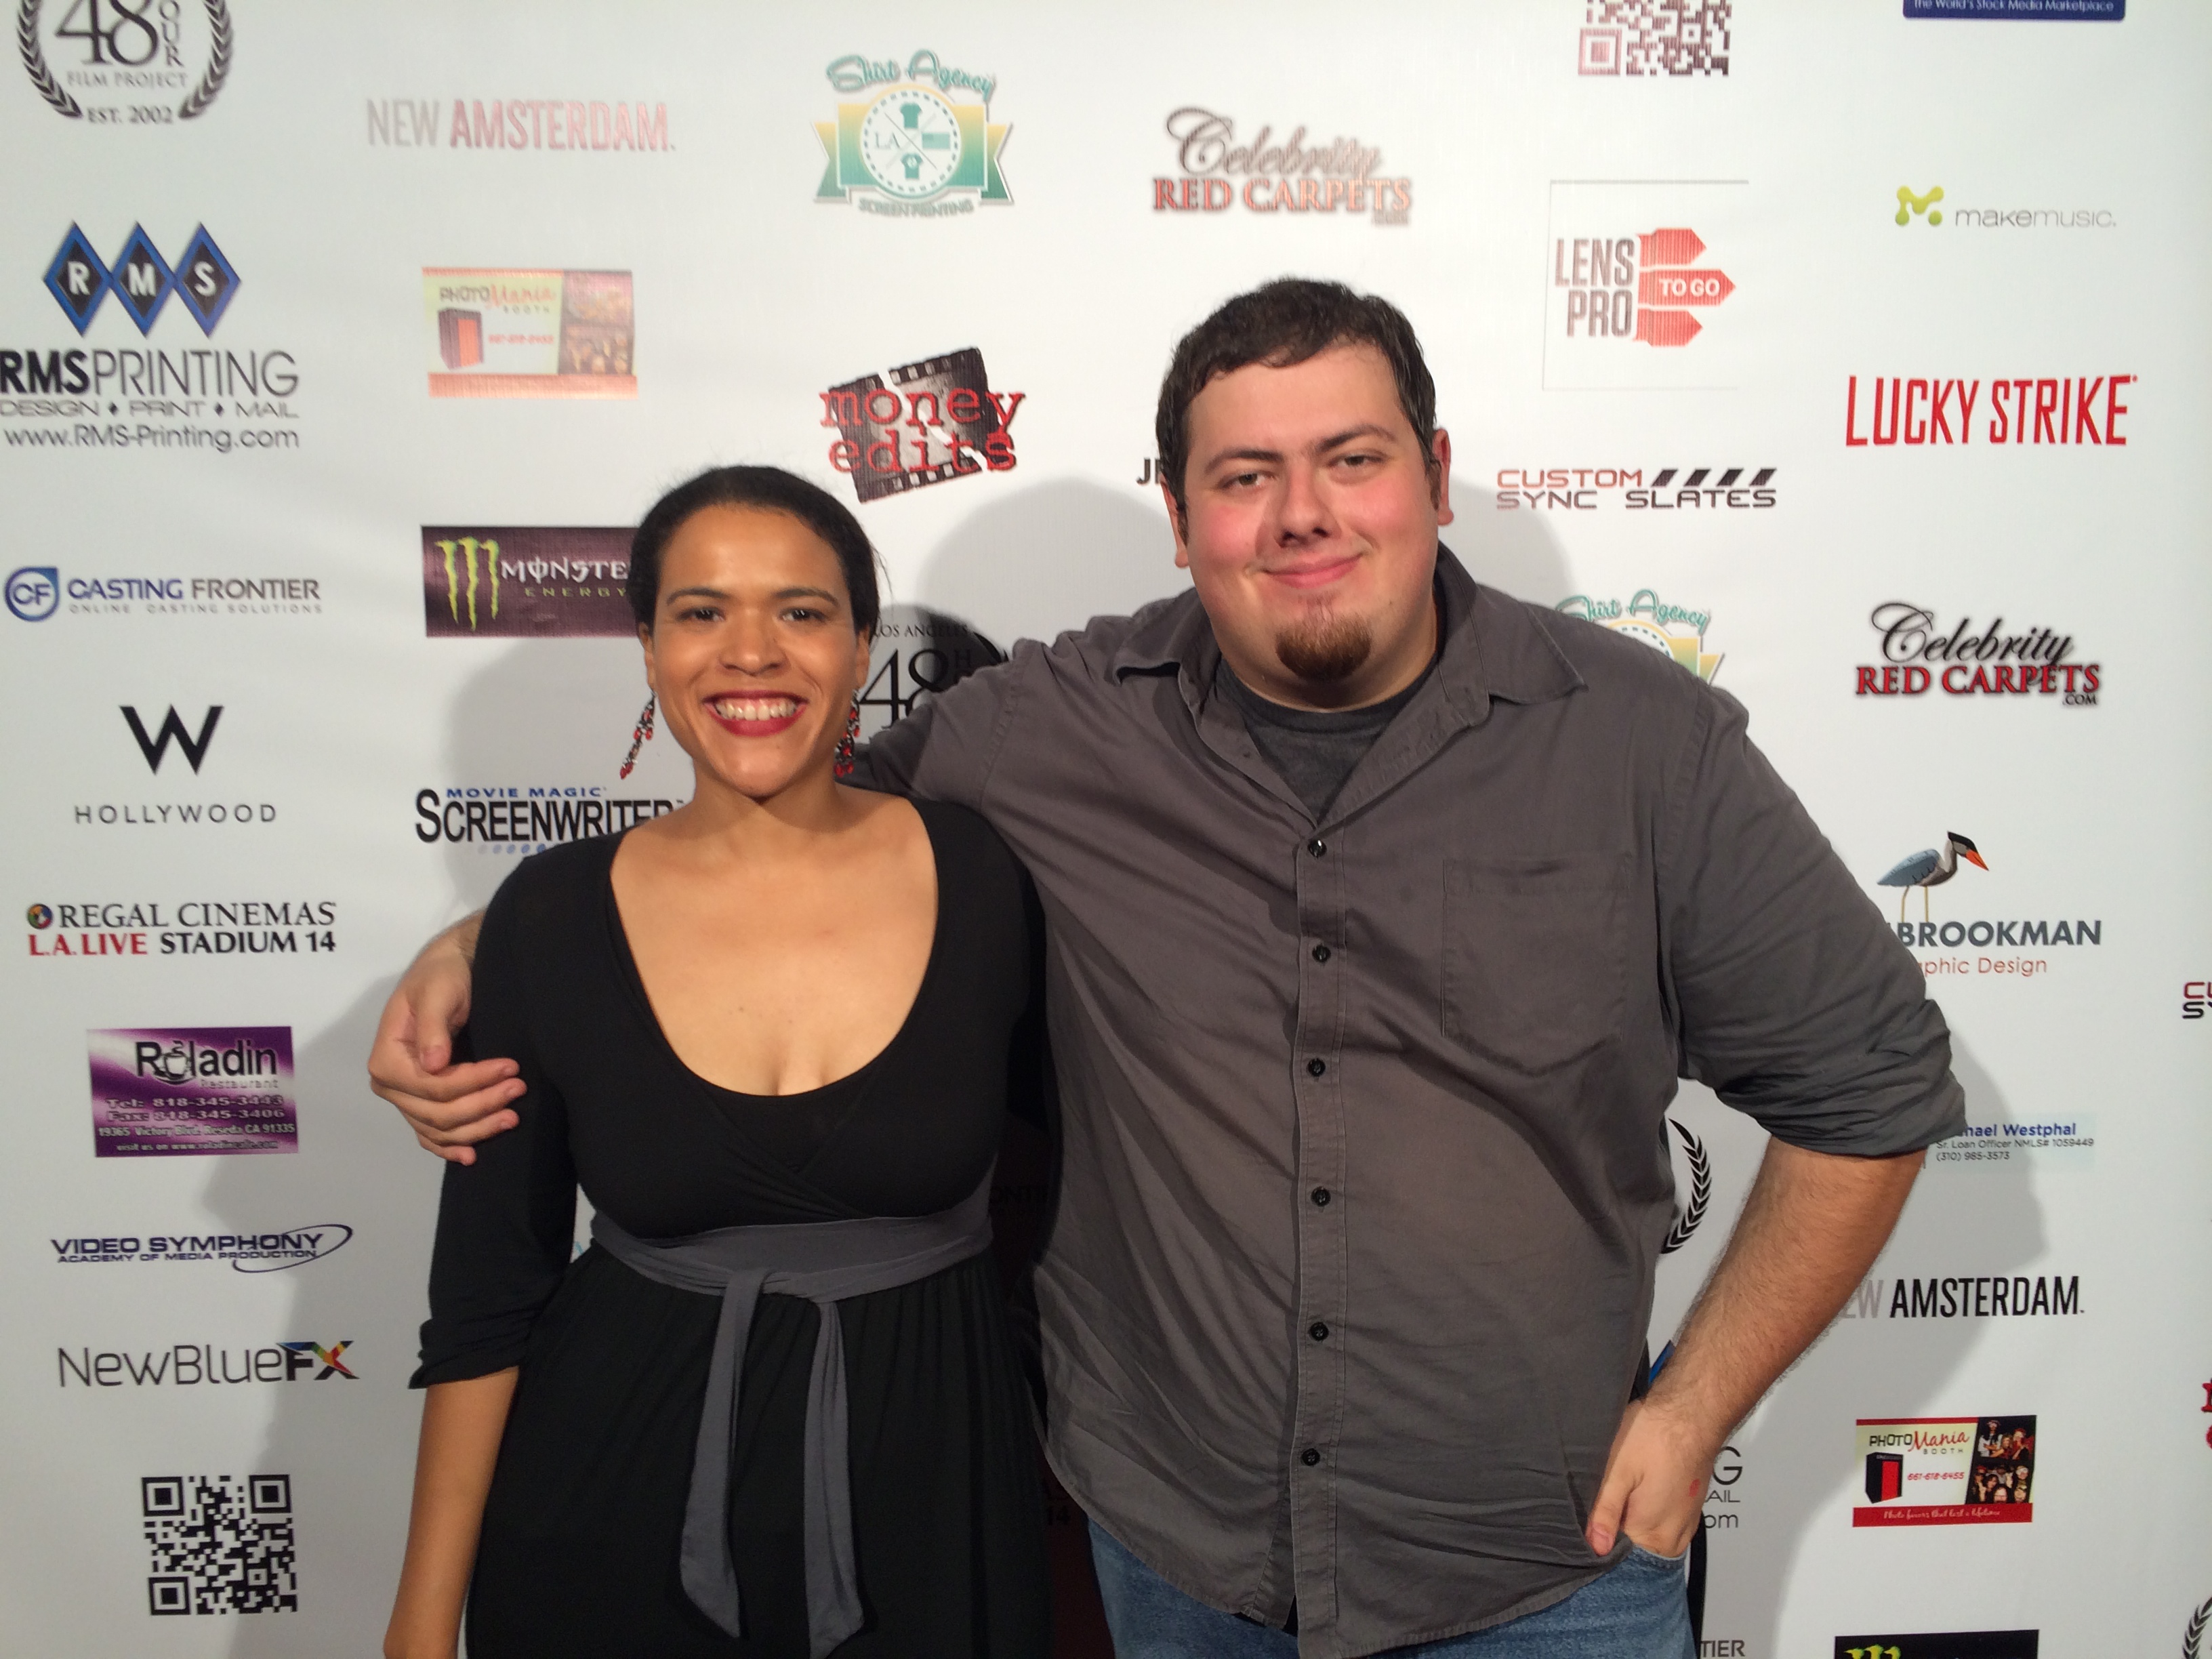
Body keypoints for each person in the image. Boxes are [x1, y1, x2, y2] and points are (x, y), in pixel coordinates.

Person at [373, 281, 1963, 1659]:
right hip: (1179, 1557)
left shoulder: (1640, 743)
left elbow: (1873, 1086)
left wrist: (1695, 1409)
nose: (1303, 514)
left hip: (1549, 1568)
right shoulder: (1045, 732)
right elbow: (778, 830)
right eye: (1245, 475)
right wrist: (499, 945)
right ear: (1182, 509)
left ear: (1439, 477)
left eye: (1353, 459)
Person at [382, 467, 1050, 1659]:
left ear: (858, 650)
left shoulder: (990, 877)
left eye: (801, 612)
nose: (753, 654)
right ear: (647, 649)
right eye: (701, 613)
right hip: (609, 1506)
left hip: (934, 1498)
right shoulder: (549, 913)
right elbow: (486, 1297)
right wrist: (422, 1625)